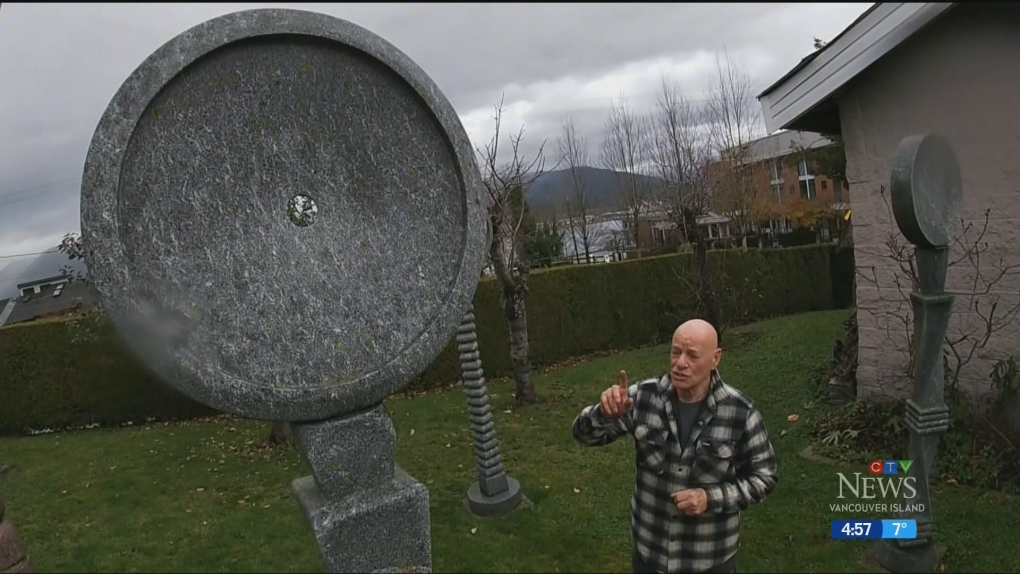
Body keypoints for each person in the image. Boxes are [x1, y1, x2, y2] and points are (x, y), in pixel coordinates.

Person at [571, 319, 778, 573]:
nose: (680, 363)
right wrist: (602, 414)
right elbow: (583, 436)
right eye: (675, 352)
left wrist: (709, 498)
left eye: (692, 355)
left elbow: (764, 476)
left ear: (715, 358)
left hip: (708, 559)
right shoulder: (642, 398)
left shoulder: (740, 413)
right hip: (650, 555)